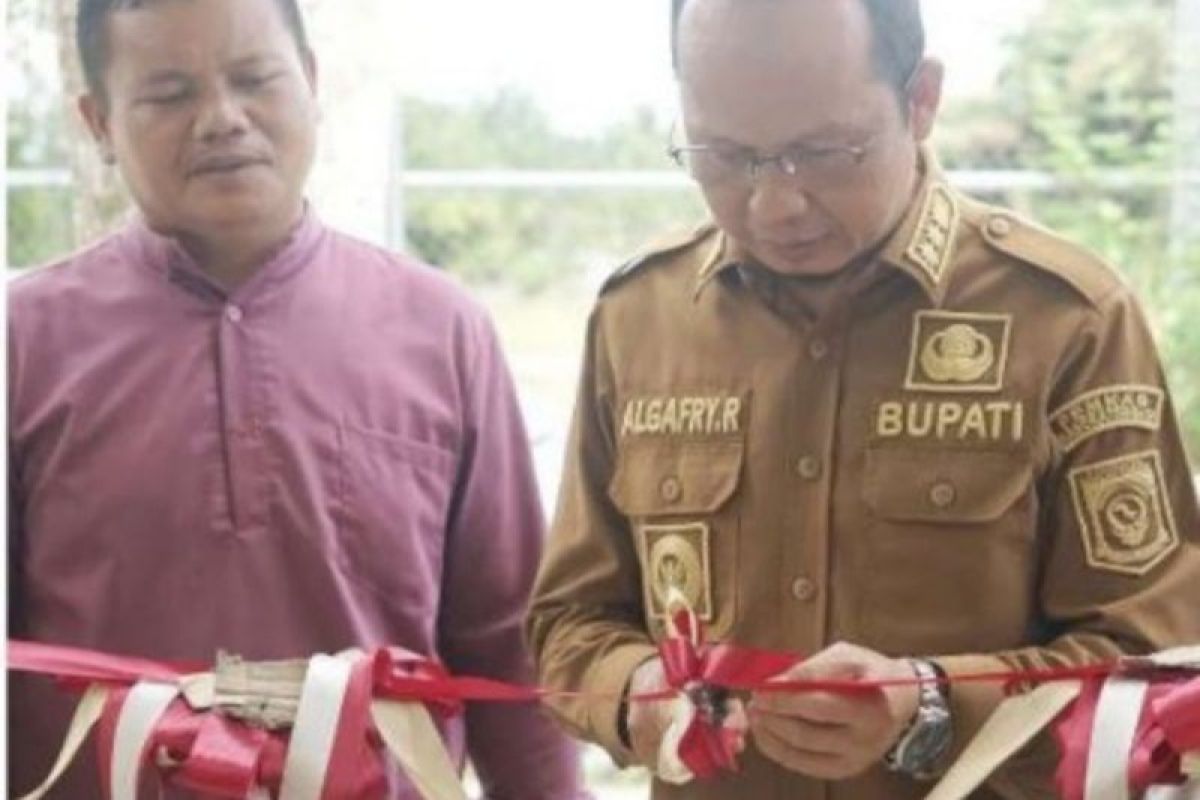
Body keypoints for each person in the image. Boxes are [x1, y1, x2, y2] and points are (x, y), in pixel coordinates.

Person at [526, 0, 1200, 798]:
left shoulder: (1064, 319)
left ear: (922, 101)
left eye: (823, 152)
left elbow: (1158, 656)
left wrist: (934, 705)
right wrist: (632, 688)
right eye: (725, 154)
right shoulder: (641, 318)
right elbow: (568, 620)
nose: (775, 204)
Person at [7, 0, 586, 797]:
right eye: (170, 94)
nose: (222, 120)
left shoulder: (442, 332)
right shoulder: (24, 343)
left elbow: (507, 645)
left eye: (255, 79)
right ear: (98, 122)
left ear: (311, 83)